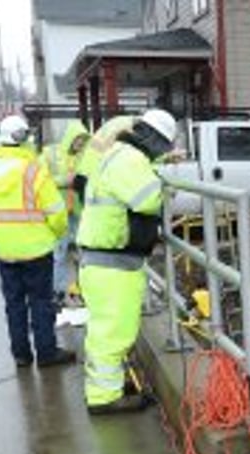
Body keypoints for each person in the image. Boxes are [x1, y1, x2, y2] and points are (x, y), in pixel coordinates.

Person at [76, 109, 177, 415]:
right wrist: (167, 188)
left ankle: (109, 386)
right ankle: (104, 399)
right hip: (111, 263)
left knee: (108, 329)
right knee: (113, 332)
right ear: (155, 141)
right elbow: (148, 198)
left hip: (105, 260)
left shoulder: (120, 154)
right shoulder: (131, 161)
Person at [0, 115, 77, 368]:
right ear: (23, 138)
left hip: (4, 250)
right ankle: (47, 353)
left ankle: (21, 355)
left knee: (13, 303)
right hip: (36, 249)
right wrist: (56, 233)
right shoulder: (32, 169)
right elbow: (55, 211)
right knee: (41, 302)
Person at [41, 120, 91, 307]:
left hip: (79, 211)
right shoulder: (50, 153)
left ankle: (84, 291)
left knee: (84, 253)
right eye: (78, 140)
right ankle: (58, 292)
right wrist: (65, 180)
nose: (80, 144)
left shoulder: (85, 156)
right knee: (58, 254)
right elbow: (40, 180)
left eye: (83, 140)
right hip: (58, 213)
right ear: (69, 138)